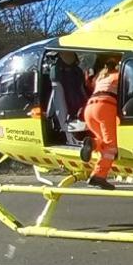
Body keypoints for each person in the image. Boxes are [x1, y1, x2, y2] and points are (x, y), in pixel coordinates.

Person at [82, 56, 121, 190]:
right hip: (105, 107)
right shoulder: (119, 76)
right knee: (111, 146)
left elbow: (89, 84)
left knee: (103, 141)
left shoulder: (100, 77)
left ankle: (92, 143)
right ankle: (99, 176)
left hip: (89, 108)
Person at [47, 50, 88, 144]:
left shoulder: (77, 71)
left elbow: (82, 89)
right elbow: (58, 96)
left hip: (78, 106)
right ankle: (71, 139)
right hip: (68, 110)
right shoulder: (56, 72)